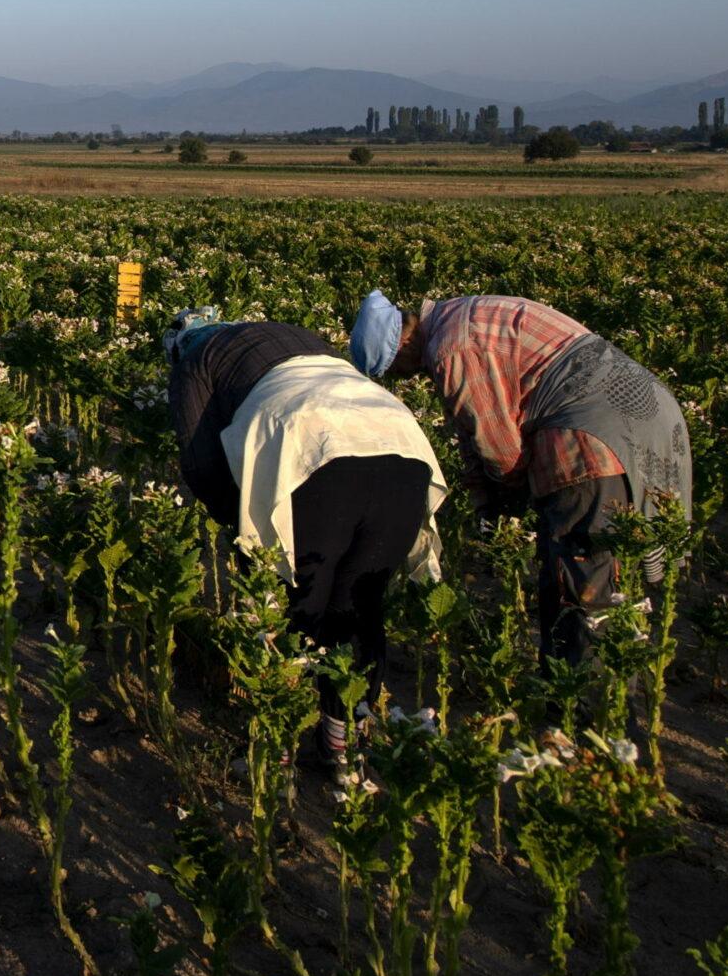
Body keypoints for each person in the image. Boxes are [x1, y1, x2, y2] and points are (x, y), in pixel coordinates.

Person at [165, 309, 445, 769]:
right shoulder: (294, 334)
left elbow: (200, 464)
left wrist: (243, 528)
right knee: (361, 603)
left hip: (313, 446)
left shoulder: (194, 359)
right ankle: (344, 744)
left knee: (303, 606)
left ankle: (277, 746)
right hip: (401, 443)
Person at [350, 290, 690, 668]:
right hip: (643, 409)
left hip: (588, 436)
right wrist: (483, 494)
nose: (416, 377)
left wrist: (506, 510)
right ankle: (607, 689)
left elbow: (500, 448)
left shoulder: (451, 349)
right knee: (616, 565)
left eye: (401, 369)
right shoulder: (460, 314)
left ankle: (578, 703)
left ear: (404, 345)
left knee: (578, 583)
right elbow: (472, 425)